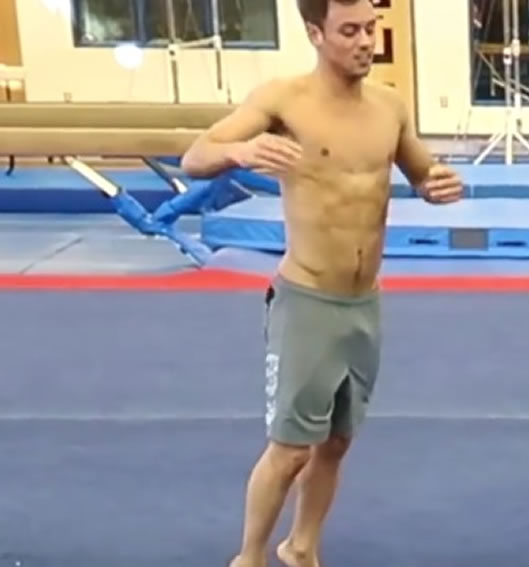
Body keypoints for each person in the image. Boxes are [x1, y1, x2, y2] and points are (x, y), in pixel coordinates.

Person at [181, 1, 463, 565]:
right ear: (316, 33)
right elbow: (195, 157)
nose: (365, 41)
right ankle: (250, 556)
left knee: (336, 442)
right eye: (349, 31)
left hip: (364, 303)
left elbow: (421, 172)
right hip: (308, 300)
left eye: (371, 29)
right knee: (290, 451)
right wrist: (239, 149)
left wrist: (436, 185)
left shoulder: (389, 107)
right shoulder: (284, 100)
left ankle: (302, 546)